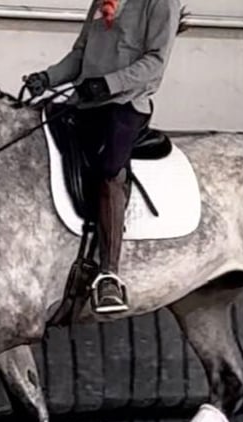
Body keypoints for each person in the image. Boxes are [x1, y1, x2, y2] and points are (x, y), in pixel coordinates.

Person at [24, 0, 182, 314]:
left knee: (109, 169)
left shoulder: (161, 3)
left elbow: (155, 62)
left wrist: (107, 84)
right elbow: (80, 55)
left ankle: (109, 275)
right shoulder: (101, 1)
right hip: (86, 103)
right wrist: (48, 77)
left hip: (124, 104)